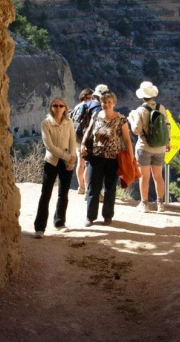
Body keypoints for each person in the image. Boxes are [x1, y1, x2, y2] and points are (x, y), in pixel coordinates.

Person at [81, 90, 133, 226]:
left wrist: (130, 156)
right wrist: (83, 144)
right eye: (104, 102)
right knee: (93, 187)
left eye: (109, 102)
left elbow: (127, 140)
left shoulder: (121, 119)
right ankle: (90, 217)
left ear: (114, 103)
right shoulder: (96, 115)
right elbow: (88, 131)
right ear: (101, 103)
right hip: (96, 157)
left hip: (113, 158)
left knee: (110, 188)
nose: (106, 104)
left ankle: (107, 216)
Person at [33, 98, 77, 238]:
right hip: (51, 161)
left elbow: (73, 142)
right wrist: (66, 157)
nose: (58, 108)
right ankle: (39, 227)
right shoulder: (46, 123)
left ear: (65, 108)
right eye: (55, 106)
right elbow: (49, 146)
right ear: (51, 108)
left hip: (67, 162)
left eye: (61, 106)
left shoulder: (68, 122)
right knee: (46, 194)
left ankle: (59, 222)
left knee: (63, 194)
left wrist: (72, 159)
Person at [128, 81, 170, 213]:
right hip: (160, 147)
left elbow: (136, 130)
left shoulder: (140, 111)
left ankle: (144, 204)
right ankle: (160, 204)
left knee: (144, 176)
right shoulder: (161, 108)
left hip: (144, 147)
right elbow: (167, 126)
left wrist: (131, 119)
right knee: (158, 176)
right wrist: (167, 142)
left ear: (142, 96)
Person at [69, 88, 94, 195]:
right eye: (91, 98)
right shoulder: (89, 107)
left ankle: (81, 187)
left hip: (76, 138)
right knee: (88, 164)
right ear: (87, 97)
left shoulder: (76, 108)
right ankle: (88, 189)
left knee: (80, 163)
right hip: (86, 139)